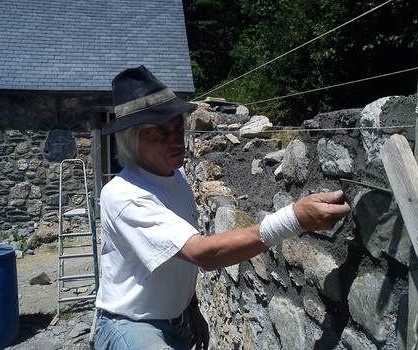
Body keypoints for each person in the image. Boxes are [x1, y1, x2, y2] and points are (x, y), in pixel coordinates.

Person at [94, 65, 350, 350]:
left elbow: (172, 255)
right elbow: (202, 253)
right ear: (131, 141)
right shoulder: (125, 194)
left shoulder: (174, 177)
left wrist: (188, 306)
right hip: (132, 326)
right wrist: (294, 219)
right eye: (159, 133)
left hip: (173, 321)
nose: (175, 139)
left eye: (177, 128)